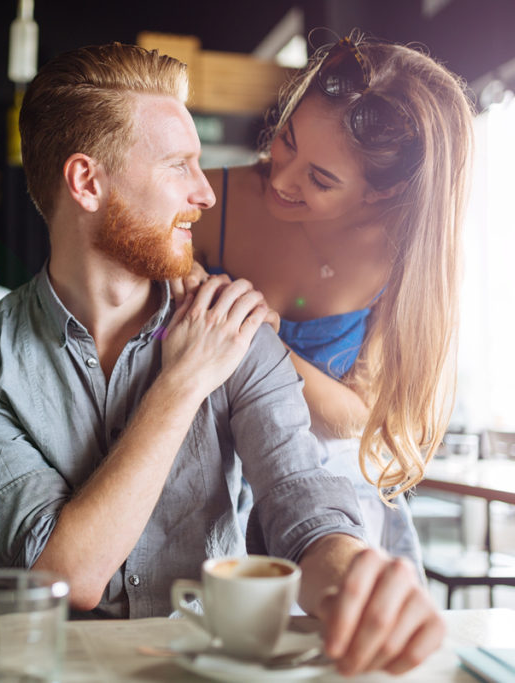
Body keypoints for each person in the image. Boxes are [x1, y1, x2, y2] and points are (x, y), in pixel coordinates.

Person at [0, 42, 443, 675]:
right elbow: (62, 576)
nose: (206, 193)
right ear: (87, 182)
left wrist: (355, 575)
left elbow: (304, 507)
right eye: (179, 166)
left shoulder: (233, 328)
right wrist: (182, 381)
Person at [175, 33, 475, 570]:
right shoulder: (208, 201)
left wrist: (253, 340)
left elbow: (365, 422)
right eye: (286, 140)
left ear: (379, 192)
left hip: (334, 510)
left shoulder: (405, 257)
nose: (280, 179)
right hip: (199, 494)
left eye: (320, 178)